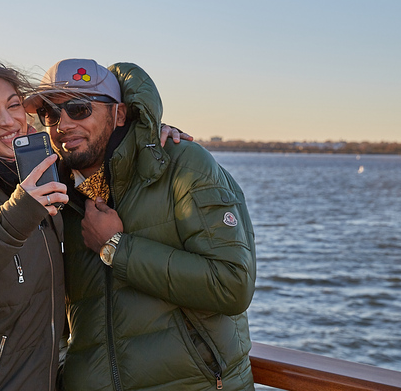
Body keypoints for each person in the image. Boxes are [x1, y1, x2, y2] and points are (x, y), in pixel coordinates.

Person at [0, 57, 186, 391]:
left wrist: (143, 133)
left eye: (14, 106)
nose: (8, 121)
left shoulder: (33, 174)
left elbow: (95, 150)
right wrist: (15, 217)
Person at [25, 59, 256, 391]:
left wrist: (116, 248)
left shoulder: (182, 164)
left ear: (119, 114)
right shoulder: (54, 194)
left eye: (78, 109)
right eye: (50, 114)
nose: (62, 124)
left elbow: (233, 284)